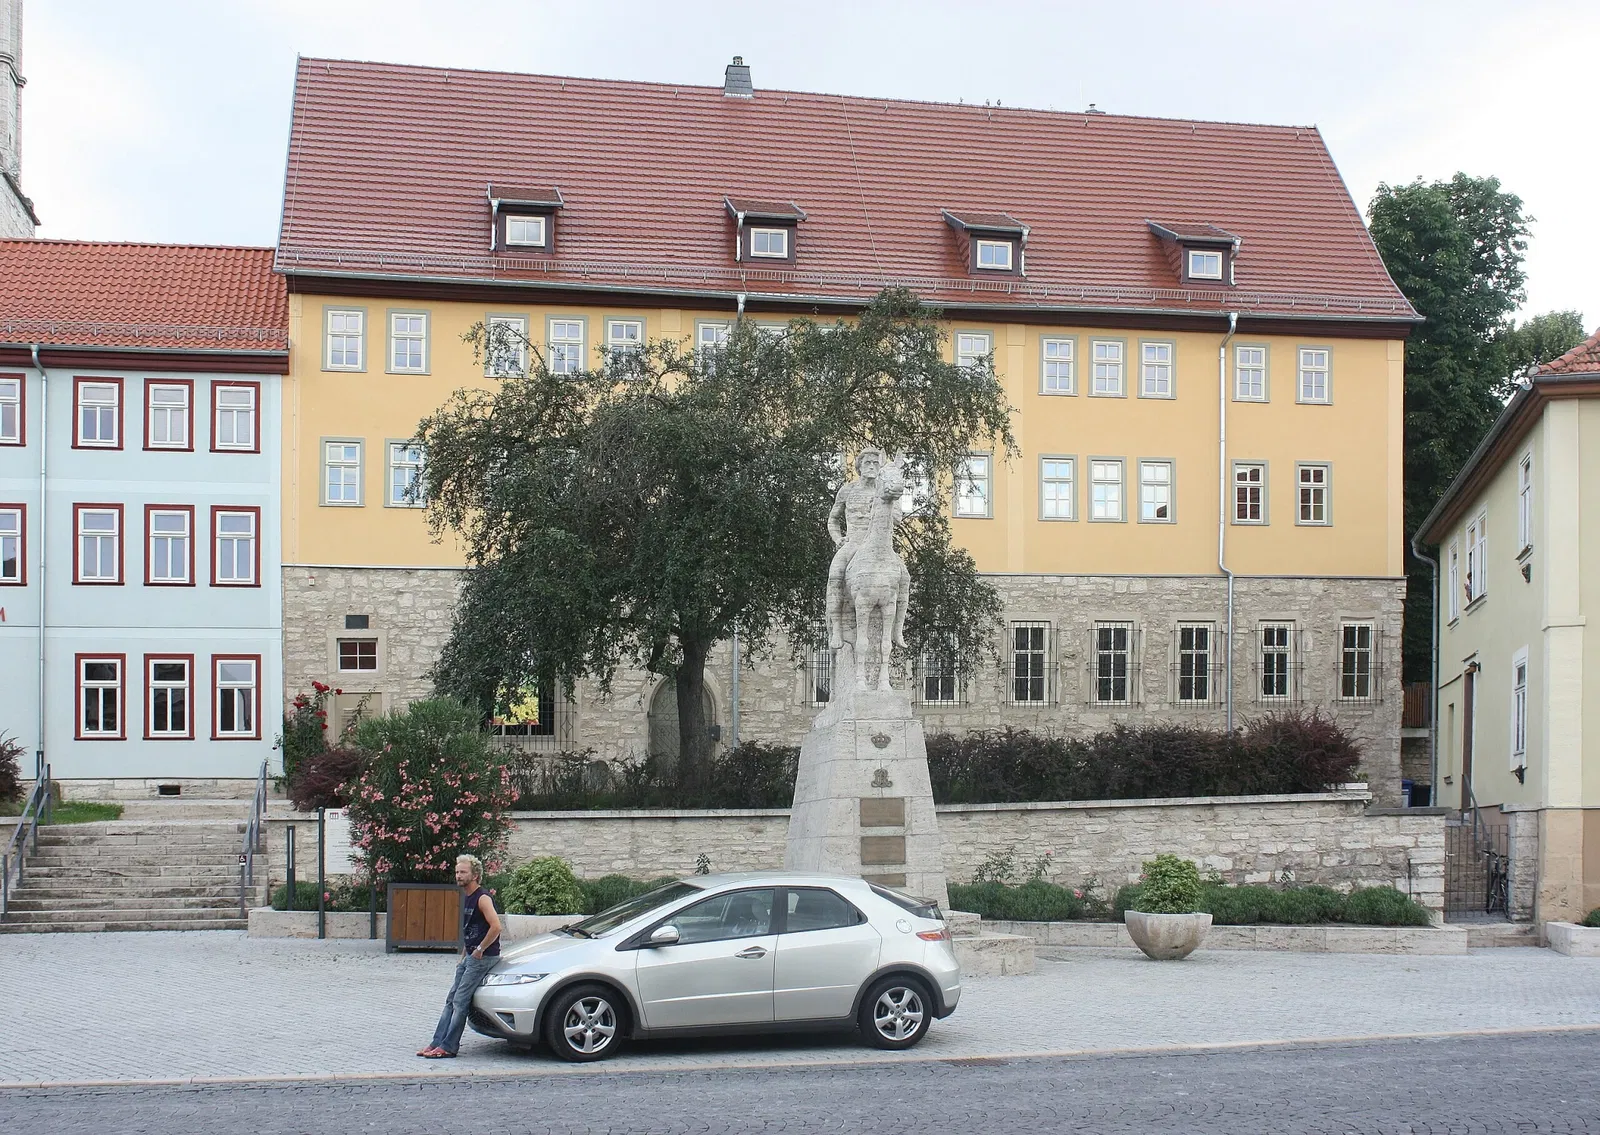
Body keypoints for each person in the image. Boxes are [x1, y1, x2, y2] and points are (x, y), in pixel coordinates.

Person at [418, 853, 503, 1058]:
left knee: (459, 1001)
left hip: (484, 957)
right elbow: (472, 929)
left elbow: (496, 926)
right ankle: (437, 1043)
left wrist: (480, 950)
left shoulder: (482, 898)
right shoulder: (468, 896)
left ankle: (449, 1047)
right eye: (457, 872)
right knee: (451, 1000)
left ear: (475, 875)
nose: (458, 875)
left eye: (463, 872)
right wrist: (466, 954)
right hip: (471, 957)